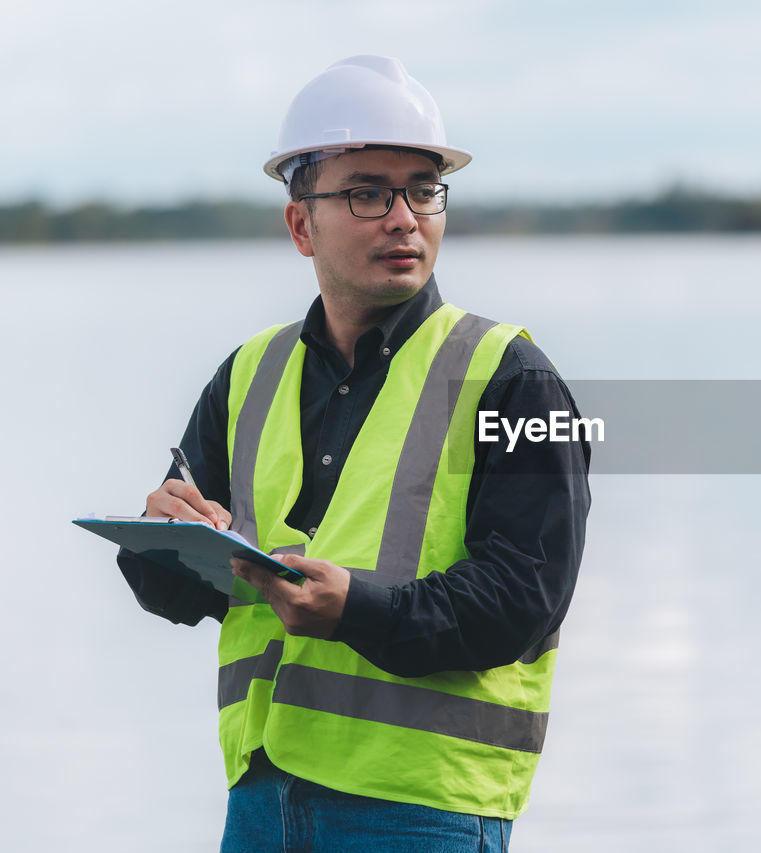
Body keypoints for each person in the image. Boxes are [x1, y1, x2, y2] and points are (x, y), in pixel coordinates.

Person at [117, 55, 591, 853]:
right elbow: (174, 588)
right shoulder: (247, 377)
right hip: (259, 802)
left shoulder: (514, 379)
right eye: (368, 192)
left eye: (423, 189)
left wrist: (355, 610)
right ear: (301, 223)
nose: (404, 217)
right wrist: (159, 537)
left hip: (423, 811)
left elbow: (526, 598)